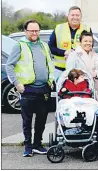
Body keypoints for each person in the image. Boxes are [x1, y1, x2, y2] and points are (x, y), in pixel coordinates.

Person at [5, 20, 54, 157]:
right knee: (27, 120)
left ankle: (37, 144)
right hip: (27, 89)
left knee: (42, 119)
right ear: (25, 31)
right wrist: (16, 83)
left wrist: (50, 80)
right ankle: (28, 146)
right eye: (31, 30)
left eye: (37, 30)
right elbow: (9, 66)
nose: (34, 33)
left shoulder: (44, 45)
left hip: (43, 89)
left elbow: (49, 63)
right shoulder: (20, 46)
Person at [65, 31, 98, 105]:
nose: (88, 43)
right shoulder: (73, 55)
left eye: (90, 41)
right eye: (85, 41)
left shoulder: (96, 55)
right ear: (80, 42)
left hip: (96, 86)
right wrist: (85, 75)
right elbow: (69, 72)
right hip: (80, 88)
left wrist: (95, 74)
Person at [49, 6, 92, 77]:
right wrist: (64, 52)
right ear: (68, 16)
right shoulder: (58, 28)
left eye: (77, 15)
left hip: (80, 70)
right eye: (72, 15)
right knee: (60, 88)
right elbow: (51, 47)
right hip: (60, 70)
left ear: (81, 17)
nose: (75, 17)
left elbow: (90, 47)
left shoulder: (87, 29)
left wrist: (73, 54)